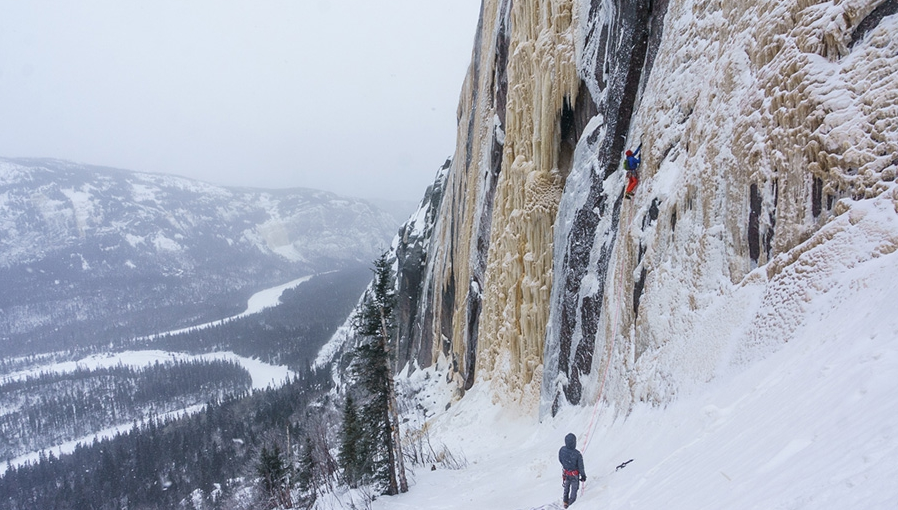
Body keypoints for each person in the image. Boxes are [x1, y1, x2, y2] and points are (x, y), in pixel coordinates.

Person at [558, 433, 587, 508]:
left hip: (566, 473)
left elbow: (560, 459)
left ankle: (565, 502)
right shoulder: (577, 454)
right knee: (574, 490)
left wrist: (565, 466)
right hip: (574, 475)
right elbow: (581, 466)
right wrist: (583, 475)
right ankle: (571, 504)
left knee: (566, 488)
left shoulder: (562, 450)